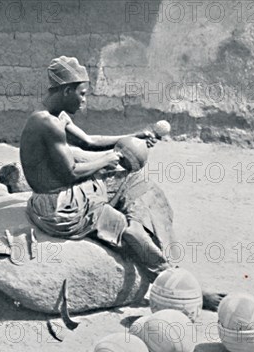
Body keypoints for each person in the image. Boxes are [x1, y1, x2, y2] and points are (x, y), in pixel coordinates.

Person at [20, 56, 224, 310]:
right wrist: (109, 159)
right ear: (66, 90)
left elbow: (89, 142)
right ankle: (179, 287)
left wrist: (132, 137)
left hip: (68, 194)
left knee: (131, 180)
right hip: (60, 207)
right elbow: (72, 171)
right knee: (129, 230)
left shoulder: (56, 116)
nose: (85, 100)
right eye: (82, 94)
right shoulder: (46, 123)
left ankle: (164, 254)